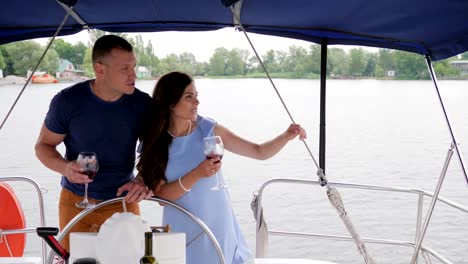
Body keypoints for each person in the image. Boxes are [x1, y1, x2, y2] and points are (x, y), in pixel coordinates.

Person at [138, 71, 306, 264]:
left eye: (197, 96)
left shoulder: (208, 129)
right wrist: (199, 173)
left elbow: (259, 151)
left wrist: (286, 135)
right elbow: (161, 197)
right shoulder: (156, 141)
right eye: (189, 97)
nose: (197, 103)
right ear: (171, 102)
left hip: (218, 223)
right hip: (181, 228)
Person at [34, 35, 154, 250]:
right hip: (75, 201)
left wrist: (143, 178)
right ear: (100, 70)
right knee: (75, 259)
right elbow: (43, 146)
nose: (133, 75)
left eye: (133, 67)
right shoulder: (67, 101)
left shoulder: (143, 104)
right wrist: (65, 168)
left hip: (123, 202)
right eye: (125, 69)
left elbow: (154, 151)